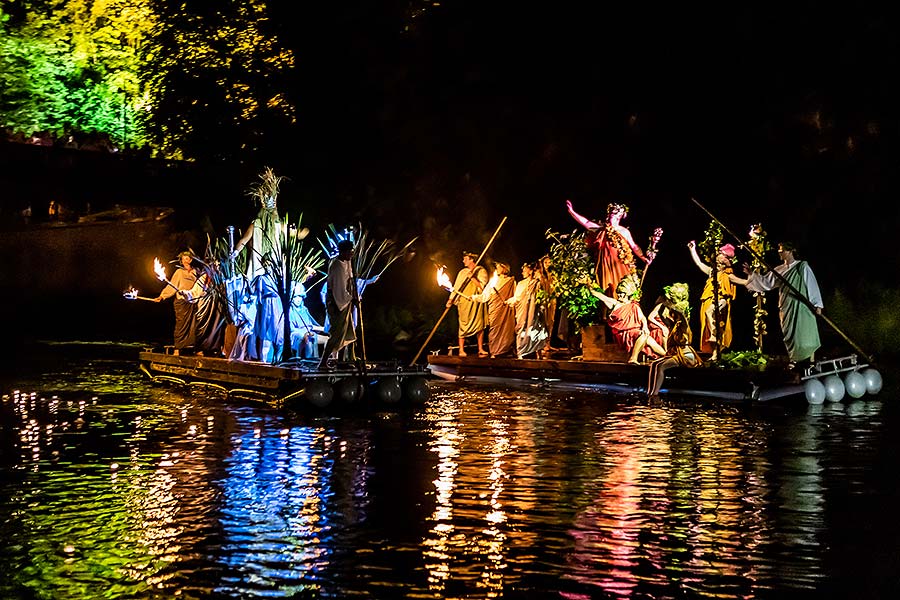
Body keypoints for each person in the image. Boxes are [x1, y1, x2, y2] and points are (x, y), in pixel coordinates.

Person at [743, 241, 823, 366]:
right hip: (786, 305)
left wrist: (817, 304)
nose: (779, 252)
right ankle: (794, 360)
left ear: (790, 251)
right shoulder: (778, 269)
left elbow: (811, 284)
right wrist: (751, 274)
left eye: (782, 250)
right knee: (790, 334)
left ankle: (811, 362)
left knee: (806, 334)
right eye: (779, 250)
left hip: (802, 306)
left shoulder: (801, 266)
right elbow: (766, 283)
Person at [566, 199, 651, 297]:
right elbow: (586, 223)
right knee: (605, 288)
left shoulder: (624, 231)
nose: (611, 215)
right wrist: (572, 212)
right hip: (604, 264)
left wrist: (643, 257)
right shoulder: (601, 229)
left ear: (620, 216)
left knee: (621, 287)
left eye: (614, 214)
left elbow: (634, 246)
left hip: (619, 265)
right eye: (610, 213)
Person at [585, 273, 666, 364]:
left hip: (635, 332)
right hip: (623, 334)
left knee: (649, 339)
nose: (620, 296)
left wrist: (645, 327)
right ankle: (633, 358)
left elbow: (642, 317)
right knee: (643, 335)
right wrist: (589, 287)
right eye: (618, 293)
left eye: (622, 294)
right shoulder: (615, 303)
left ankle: (666, 355)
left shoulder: (633, 305)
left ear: (628, 294)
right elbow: (600, 296)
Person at [687, 240, 748, 359]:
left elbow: (744, 282)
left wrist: (753, 278)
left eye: (721, 256)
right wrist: (692, 249)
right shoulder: (712, 273)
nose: (718, 258)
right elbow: (699, 264)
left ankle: (714, 334)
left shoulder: (728, 275)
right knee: (708, 320)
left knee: (711, 313)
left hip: (721, 299)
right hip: (708, 299)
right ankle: (715, 351)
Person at [647, 283, 702, 398]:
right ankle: (650, 392)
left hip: (686, 355)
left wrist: (670, 304)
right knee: (654, 364)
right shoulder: (674, 325)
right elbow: (662, 316)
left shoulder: (684, 324)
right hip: (677, 354)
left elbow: (681, 314)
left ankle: (654, 394)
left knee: (661, 367)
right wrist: (663, 303)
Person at [318, 240, 358, 368]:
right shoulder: (336, 265)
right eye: (350, 252)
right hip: (337, 301)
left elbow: (350, 279)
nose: (351, 254)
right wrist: (350, 298)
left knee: (346, 331)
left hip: (345, 299)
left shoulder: (347, 262)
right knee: (337, 332)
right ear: (344, 252)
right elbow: (339, 288)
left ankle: (341, 361)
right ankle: (323, 362)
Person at [154, 250, 200, 356]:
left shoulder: (196, 272)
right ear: (181, 260)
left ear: (191, 260)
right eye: (184, 258)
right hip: (181, 302)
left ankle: (196, 348)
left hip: (193, 301)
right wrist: (162, 296)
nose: (186, 260)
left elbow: (201, 286)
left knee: (195, 325)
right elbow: (172, 286)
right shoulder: (179, 272)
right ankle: (178, 348)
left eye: (188, 258)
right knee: (181, 325)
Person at [445, 251, 489, 357]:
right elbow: (456, 287)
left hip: (476, 301)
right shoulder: (462, 272)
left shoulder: (481, 271)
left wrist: (472, 277)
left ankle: (480, 348)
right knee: (463, 324)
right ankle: (461, 350)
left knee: (479, 325)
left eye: (465, 258)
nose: (463, 260)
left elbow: (482, 287)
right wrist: (450, 300)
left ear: (471, 259)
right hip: (464, 302)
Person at [506, 262, 550, 359]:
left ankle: (538, 351)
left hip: (534, 311)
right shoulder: (521, 284)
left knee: (536, 329)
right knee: (522, 329)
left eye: (524, 270)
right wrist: (510, 301)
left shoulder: (538, 283)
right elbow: (517, 297)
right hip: (523, 311)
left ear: (530, 271)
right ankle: (521, 351)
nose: (522, 272)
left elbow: (544, 294)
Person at [473, 262, 517, 357]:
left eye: (498, 266)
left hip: (507, 309)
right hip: (495, 309)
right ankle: (494, 351)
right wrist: (474, 297)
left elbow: (515, 295)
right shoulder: (493, 281)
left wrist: (510, 302)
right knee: (494, 329)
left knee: (507, 329)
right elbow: (485, 296)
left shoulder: (511, 281)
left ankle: (506, 350)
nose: (497, 268)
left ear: (504, 268)